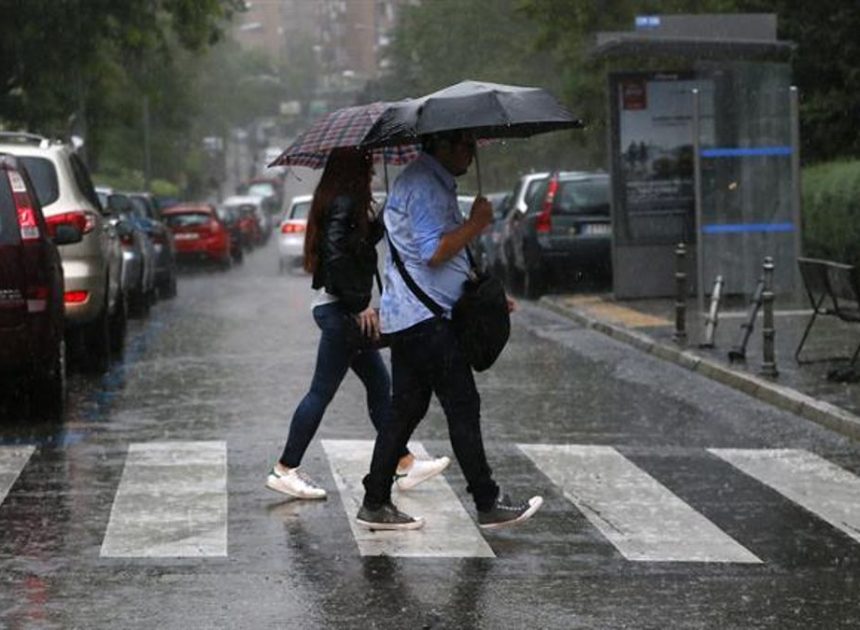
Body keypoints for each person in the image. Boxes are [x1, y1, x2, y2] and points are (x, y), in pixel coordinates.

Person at [356, 131, 543, 530]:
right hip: (425, 324)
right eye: (464, 146)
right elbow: (434, 251)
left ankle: (374, 500)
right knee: (461, 405)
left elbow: (443, 259)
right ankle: (487, 500)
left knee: (405, 410)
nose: (471, 155)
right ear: (441, 146)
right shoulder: (424, 185)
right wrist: (476, 224)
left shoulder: (427, 181)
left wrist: (481, 296)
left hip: (414, 319)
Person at [266, 147, 450, 500]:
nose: (373, 173)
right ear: (354, 169)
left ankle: (403, 462)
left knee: (379, 386)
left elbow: (355, 245)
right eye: (367, 165)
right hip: (341, 312)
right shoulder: (344, 202)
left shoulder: (343, 201)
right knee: (322, 392)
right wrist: (358, 305)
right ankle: (285, 469)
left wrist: (380, 218)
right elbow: (336, 257)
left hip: (339, 310)